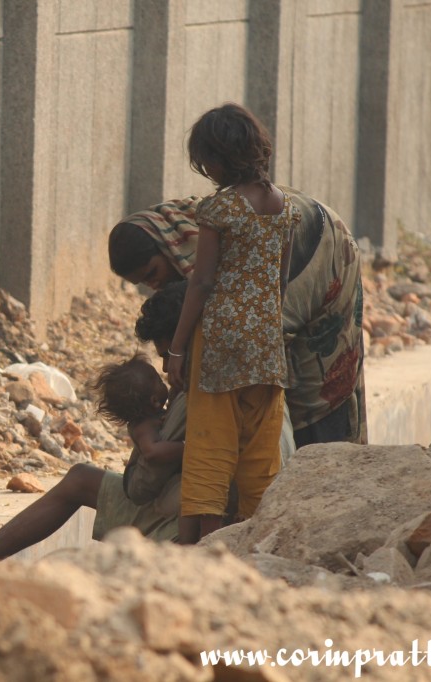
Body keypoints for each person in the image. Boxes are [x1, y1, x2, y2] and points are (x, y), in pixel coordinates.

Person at [0, 283, 194, 562]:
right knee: (79, 477)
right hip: (158, 496)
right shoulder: (183, 385)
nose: (168, 369)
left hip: (180, 512)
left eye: (170, 355)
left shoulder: (208, 384)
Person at [109, 168, 366, 450]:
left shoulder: (222, 241)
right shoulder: (204, 231)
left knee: (308, 400)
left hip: (320, 267)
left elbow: (244, 345)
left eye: (152, 273)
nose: (154, 284)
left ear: (169, 244)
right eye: (144, 282)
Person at [166, 103, 297, 543]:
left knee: (211, 446)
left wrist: (177, 348)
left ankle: (206, 547)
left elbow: (201, 282)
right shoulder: (284, 206)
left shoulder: (219, 209)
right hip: (266, 348)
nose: (206, 170)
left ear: (219, 157)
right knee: (260, 452)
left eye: (206, 162)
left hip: (220, 346)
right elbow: (279, 280)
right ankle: (255, 547)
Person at [90, 354, 184, 505]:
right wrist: (187, 449)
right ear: (154, 400)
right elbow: (151, 451)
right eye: (160, 381)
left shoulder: (151, 414)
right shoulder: (143, 426)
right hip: (137, 485)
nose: (164, 381)